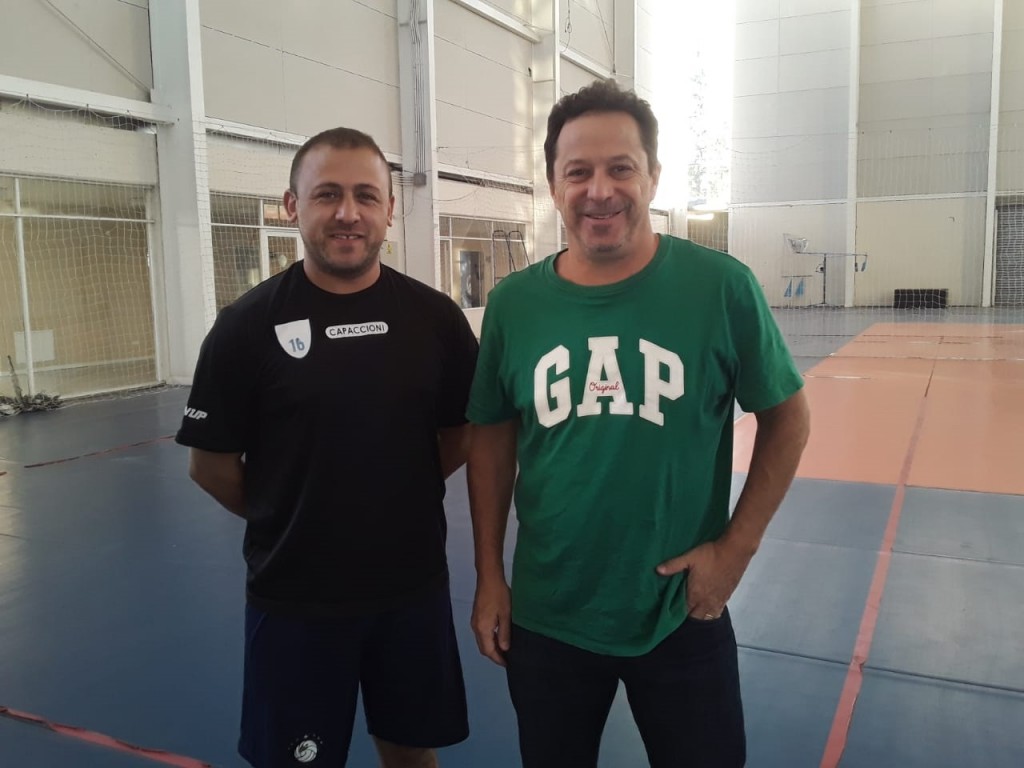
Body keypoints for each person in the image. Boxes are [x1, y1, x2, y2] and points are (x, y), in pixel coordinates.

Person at [466, 79, 811, 767]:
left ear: (652, 175)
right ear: (553, 185)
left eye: (620, 168)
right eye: (578, 172)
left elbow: (788, 420)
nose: (600, 191)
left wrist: (735, 550)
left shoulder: (721, 288)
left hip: (682, 606)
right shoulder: (514, 306)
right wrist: (488, 576)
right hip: (549, 613)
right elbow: (491, 438)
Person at [176, 127, 478, 768]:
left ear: (389, 209)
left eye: (366, 196)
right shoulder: (245, 327)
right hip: (295, 601)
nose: (348, 213)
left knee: (412, 752)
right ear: (293, 205)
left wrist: (400, 492)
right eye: (327, 195)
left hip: (411, 591)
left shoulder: (435, 320)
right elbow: (210, 465)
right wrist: (290, 512)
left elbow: (462, 433)